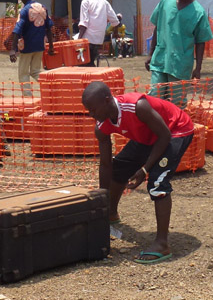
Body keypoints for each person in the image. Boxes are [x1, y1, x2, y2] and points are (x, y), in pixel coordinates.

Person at [82, 81, 196, 265]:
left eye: (93, 109)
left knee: (157, 182)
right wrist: (102, 202)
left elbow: (165, 135)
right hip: (149, 135)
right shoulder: (101, 125)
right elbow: (106, 165)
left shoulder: (137, 107)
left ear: (107, 100)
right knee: (119, 168)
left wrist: (144, 169)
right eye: (88, 110)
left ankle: (162, 244)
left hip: (176, 130)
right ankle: (110, 214)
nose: (91, 114)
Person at [145, 0, 213, 103]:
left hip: (180, 64)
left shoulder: (198, 12)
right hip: (160, 59)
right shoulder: (165, 2)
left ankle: (174, 123)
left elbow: (200, 42)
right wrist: (150, 54)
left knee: (176, 101)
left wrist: (198, 68)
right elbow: (157, 28)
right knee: (155, 97)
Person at [9, 0, 55, 92]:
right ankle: (50, 86)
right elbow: (49, 28)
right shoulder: (43, 8)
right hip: (40, 46)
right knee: (35, 71)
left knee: (23, 73)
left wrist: (13, 49)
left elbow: (17, 30)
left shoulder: (25, 11)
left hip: (27, 47)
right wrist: (51, 46)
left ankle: (28, 98)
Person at [77, 0, 119, 66]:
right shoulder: (104, 2)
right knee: (91, 60)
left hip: (88, 38)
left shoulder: (85, 2)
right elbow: (115, 21)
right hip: (99, 39)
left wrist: (78, 40)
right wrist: (115, 33)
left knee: (85, 63)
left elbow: (84, 23)